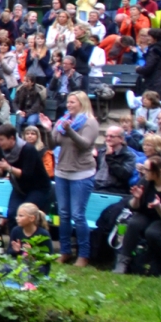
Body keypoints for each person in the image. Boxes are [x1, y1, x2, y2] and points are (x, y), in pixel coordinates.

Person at [50, 91, 99, 265]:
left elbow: (84, 144)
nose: (69, 105)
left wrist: (69, 130)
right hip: (62, 171)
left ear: (82, 103)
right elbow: (53, 143)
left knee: (78, 215)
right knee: (63, 214)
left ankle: (83, 254)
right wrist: (52, 127)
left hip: (81, 173)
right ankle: (65, 251)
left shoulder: (90, 122)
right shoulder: (64, 121)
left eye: (72, 102)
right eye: (68, 102)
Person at [115, 157, 161, 278]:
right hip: (147, 215)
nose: (144, 172)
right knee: (133, 224)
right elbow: (133, 207)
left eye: (147, 170)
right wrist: (137, 198)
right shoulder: (146, 181)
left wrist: (158, 206)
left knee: (152, 233)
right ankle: (123, 261)